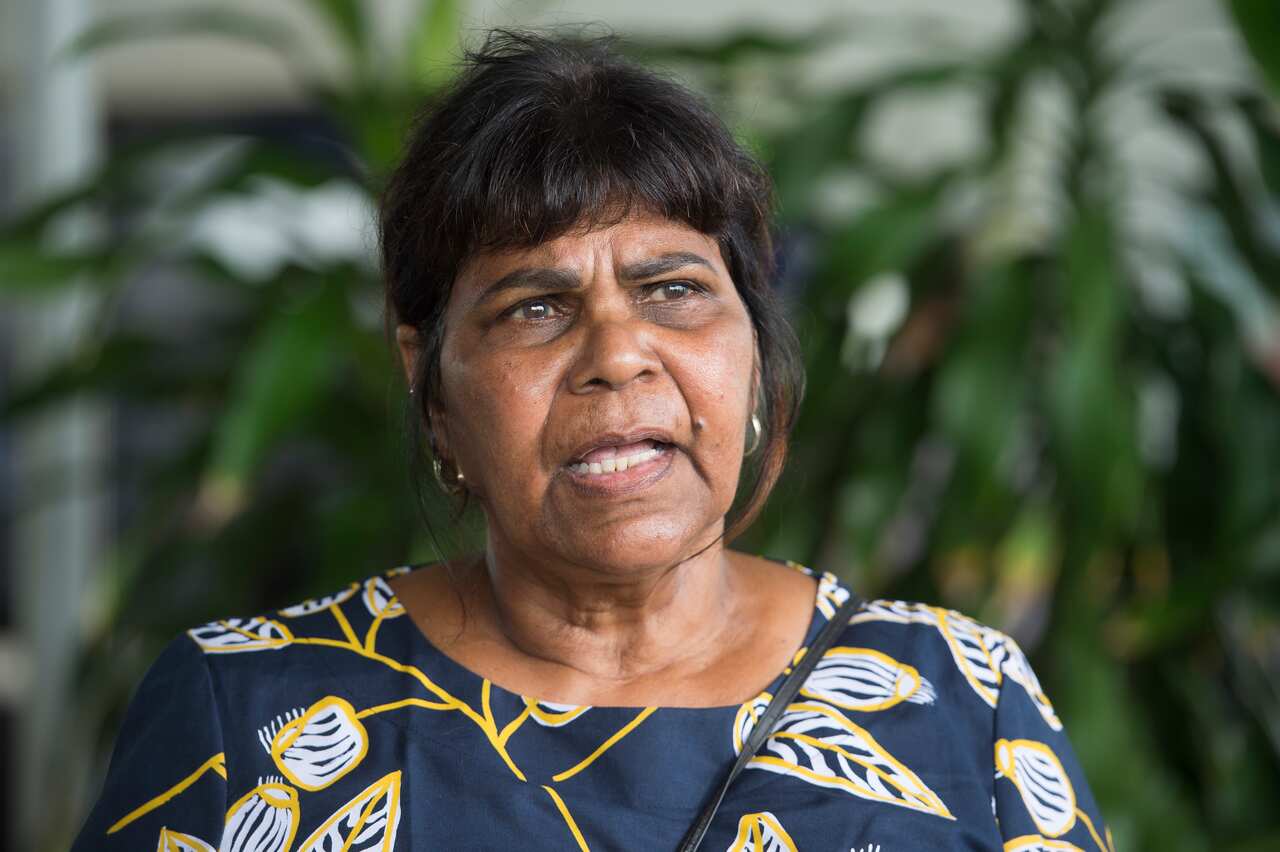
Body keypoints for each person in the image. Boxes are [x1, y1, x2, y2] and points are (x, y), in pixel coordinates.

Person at [72, 29, 1109, 852]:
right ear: (427, 379)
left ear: (751, 346)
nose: (619, 354)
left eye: (674, 291)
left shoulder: (957, 698)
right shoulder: (250, 717)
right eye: (533, 308)